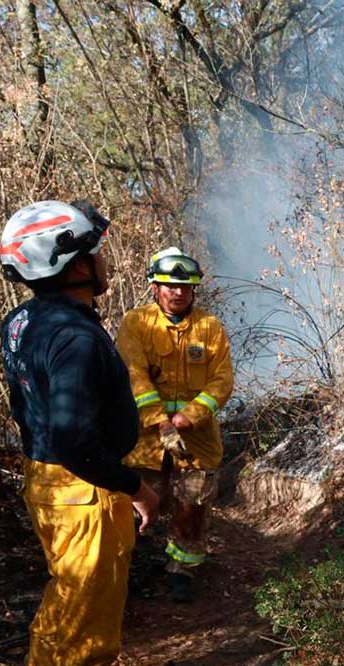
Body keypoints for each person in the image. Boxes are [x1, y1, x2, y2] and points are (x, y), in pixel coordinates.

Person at [0, 200, 159, 666]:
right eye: (94, 251)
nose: (103, 260)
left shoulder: (20, 322)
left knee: (64, 584)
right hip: (82, 491)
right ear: (71, 265)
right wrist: (134, 487)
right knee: (93, 601)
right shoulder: (75, 337)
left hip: (43, 480)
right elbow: (74, 437)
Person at [115, 246, 234, 603]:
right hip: (145, 442)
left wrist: (187, 417)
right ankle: (123, 571)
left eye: (186, 286)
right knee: (132, 506)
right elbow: (134, 378)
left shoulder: (209, 328)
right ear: (155, 286)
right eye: (170, 285)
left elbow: (222, 382)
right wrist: (160, 424)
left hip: (196, 443)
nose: (179, 292)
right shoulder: (136, 324)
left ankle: (181, 571)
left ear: (195, 289)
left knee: (192, 508)